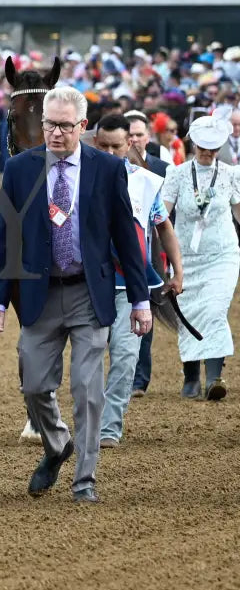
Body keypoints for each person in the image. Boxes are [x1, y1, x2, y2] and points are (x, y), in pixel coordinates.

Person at [0, 86, 150, 504]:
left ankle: (85, 479)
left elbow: (126, 240)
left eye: (63, 125)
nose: (55, 133)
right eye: (48, 125)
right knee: (35, 386)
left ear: (82, 126)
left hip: (87, 292)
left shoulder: (108, 169)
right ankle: (58, 442)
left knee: (87, 387)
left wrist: (140, 299)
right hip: (39, 293)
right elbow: (8, 238)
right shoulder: (20, 170)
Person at [92, 114, 183, 448]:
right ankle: (90, 420)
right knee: (86, 360)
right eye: (104, 146)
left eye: (117, 145)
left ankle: (109, 428)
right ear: (95, 143)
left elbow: (163, 228)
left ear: (129, 143)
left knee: (125, 358)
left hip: (132, 289)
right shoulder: (77, 180)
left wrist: (177, 271)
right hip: (88, 286)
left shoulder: (145, 183)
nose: (111, 151)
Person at [159, 115, 240, 401]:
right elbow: (162, 214)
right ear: (193, 144)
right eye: (203, 147)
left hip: (222, 254)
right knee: (189, 311)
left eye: (214, 148)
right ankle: (191, 376)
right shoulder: (177, 175)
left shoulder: (231, 175)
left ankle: (215, 377)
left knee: (215, 309)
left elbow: (239, 212)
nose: (207, 153)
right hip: (186, 257)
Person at [125, 111, 170, 396]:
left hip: (153, 255)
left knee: (147, 315)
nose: (134, 139)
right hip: (117, 256)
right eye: (129, 135)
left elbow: (168, 222)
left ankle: (140, 379)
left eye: (139, 134)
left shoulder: (163, 170)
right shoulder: (109, 167)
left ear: (148, 137)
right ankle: (126, 371)